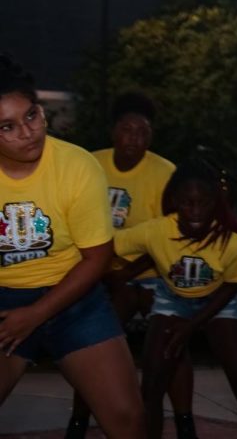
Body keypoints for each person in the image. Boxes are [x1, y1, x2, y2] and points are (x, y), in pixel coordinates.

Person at [0, 53, 145, 438]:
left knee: (128, 419)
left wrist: (34, 315)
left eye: (31, 115)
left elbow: (98, 258)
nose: (27, 132)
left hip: (74, 296)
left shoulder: (77, 166)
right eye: (7, 127)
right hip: (4, 302)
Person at [66, 92, 195, 439]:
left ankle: (185, 422)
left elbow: (172, 236)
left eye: (143, 132)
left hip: (155, 274)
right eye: (127, 129)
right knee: (92, 345)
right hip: (103, 273)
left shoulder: (165, 172)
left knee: (172, 342)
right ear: (114, 132)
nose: (135, 138)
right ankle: (78, 420)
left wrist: (127, 274)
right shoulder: (90, 164)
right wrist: (106, 273)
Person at [114, 157, 237, 438]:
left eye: (204, 203)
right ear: (174, 200)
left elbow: (232, 286)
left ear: (216, 201)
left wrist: (192, 325)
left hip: (218, 302)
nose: (195, 211)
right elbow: (109, 244)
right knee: (151, 387)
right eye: (187, 203)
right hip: (172, 299)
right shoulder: (157, 230)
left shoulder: (230, 240)